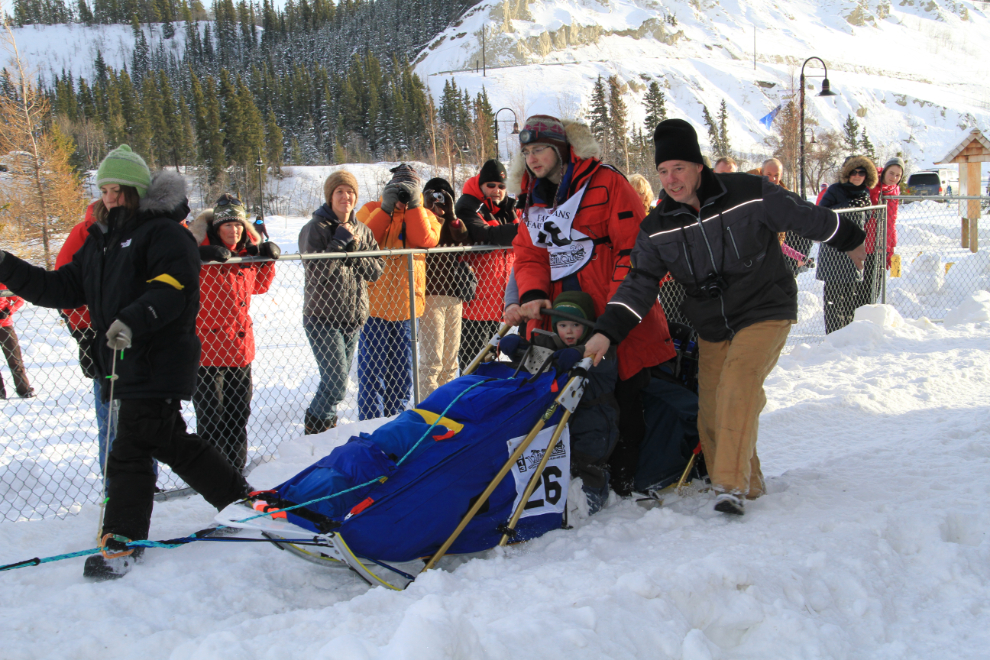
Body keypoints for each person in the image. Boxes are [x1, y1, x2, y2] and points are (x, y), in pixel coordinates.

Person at [584, 119, 867, 516]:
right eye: (663, 171)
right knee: (713, 408)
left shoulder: (749, 195)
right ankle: (749, 486)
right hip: (713, 325)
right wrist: (607, 333)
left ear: (699, 166)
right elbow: (638, 284)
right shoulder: (657, 227)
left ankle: (728, 486)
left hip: (765, 308)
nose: (671, 179)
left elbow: (804, 215)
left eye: (679, 168)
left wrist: (851, 238)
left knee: (738, 382)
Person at [0, 145, 252, 579]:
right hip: (120, 361)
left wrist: (132, 320)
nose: (110, 197)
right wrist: (6, 265)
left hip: (157, 356)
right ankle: (243, 501)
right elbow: (59, 287)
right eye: (104, 189)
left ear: (136, 192)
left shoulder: (163, 234)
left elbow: (172, 289)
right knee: (166, 439)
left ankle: (122, 539)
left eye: (117, 190)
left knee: (130, 447)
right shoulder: (102, 241)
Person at [510, 114, 676, 495]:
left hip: (612, 313)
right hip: (559, 317)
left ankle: (625, 480)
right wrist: (533, 293)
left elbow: (634, 251)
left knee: (623, 396)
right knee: (560, 398)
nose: (533, 158)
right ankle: (572, 477)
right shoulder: (533, 199)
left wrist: (617, 307)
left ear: (560, 149)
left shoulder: (607, 181)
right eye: (526, 152)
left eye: (540, 149)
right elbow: (528, 253)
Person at [188, 194, 279, 470]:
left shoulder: (245, 253)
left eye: (238, 225)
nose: (234, 230)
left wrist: (267, 259)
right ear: (216, 227)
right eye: (227, 225)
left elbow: (259, 286)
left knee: (238, 416)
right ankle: (212, 475)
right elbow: (173, 261)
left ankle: (236, 473)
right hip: (207, 352)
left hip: (240, 350)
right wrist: (197, 256)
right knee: (211, 419)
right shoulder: (197, 249)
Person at [299, 171, 384, 433]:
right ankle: (314, 429)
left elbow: (376, 271)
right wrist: (337, 244)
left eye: (350, 192)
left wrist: (354, 251)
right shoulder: (315, 228)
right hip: (322, 318)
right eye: (339, 192)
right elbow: (316, 272)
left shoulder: (363, 230)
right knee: (336, 383)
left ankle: (323, 433)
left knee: (333, 382)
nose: (345, 197)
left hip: (353, 318)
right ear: (330, 196)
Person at [356, 164, 441, 419]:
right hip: (375, 306)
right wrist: (386, 208)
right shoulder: (371, 209)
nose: (403, 192)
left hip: (408, 307)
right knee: (372, 371)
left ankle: (396, 419)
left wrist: (414, 206)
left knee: (402, 372)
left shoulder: (425, 213)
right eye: (399, 187)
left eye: (410, 187)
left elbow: (426, 240)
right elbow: (365, 237)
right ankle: (371, 422)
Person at [57, 203, 119, 473]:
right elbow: (64, 285)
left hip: (130, 330)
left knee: (139, 417)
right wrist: (83, 327)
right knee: (109, 412)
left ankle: (144, 481)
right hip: (93, 331)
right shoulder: (83, 234)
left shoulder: (137, 232)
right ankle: (113, 482)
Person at [455, 159, 520, 370]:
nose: (497, 191)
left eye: (501, 186)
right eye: (490, 185)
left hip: (495, 301)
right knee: (472, 365)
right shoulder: (468, 205)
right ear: (481, 185)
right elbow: (484, 235)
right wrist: (522, 230)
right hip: (474, 303)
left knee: (490, 363)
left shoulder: (507, 209)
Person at [817, 156, 879, 334]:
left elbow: (864, 220)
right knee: (834, 295)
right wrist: (848, 205)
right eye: (854, 172)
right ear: (847, 173)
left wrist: (865, 209)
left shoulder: (865, 193)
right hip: (834, 249)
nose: (857, 176)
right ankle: (833, 334)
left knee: (851, 294)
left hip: (854, 247)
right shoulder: (835, 190)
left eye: (862, 172)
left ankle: (847, 333)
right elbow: (822, 213)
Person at [420, 177, 470, 397]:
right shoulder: (423, 222)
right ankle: (427, 409)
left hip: (454, 296)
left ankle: (445, 406)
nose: (438, 203)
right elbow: (424, 239)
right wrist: (428, 211)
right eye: (434, 197)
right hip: (431, 297)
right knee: (432, 360)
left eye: (443, 198)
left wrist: (451, 214)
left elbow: (463, 240)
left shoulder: (452, 223)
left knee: (450, 361)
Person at [869, 156, 904, 276]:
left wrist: (890, 245)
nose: (894, 178)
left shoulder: (895, 190)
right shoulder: (871, 183)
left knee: (877, 282)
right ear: (884, 172)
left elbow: (891, 220)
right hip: (867, 239)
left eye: (898, 175)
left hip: (883, 240)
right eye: (891, 173)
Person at [0, 285, 33, 399]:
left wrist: (8, 310)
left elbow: (19, 300)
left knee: (14, 359)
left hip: (4, 326)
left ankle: (24, 389)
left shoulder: (3, 283)